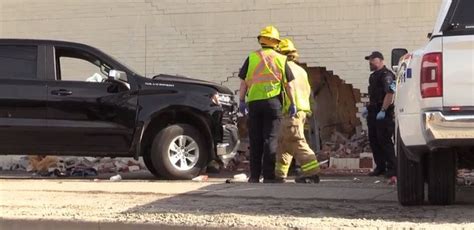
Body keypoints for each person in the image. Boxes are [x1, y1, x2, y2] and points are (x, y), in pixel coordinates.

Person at [238, 26, 296, 183]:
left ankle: (254, 176)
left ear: (261, 40)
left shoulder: (251, 58)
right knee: (270, 139)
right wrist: (292, 103)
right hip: (273, 103)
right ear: (276, 42)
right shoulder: (281, 59)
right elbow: (288, 85)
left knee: (255, 140)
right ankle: (269, 176)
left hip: (254, 103)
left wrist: (241, 101)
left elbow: (243, 83)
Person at [274, 38, 320, 183]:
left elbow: (285, 89)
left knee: (296, 142)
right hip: (301, 111)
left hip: (291, 111)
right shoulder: (301, 71)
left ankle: (312, 171)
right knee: (284, 143)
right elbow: (309, 92)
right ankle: (279, 174)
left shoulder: (283, 68)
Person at [364, 51, 397, 178]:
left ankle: (393, 168)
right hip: (373, 112)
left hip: (383, 112)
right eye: (369, 60)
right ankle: (380, 167)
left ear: (380, 60)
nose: (370, 63)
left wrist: (383, 110)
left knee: (384, 141)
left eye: (372, 60)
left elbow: (390, 93)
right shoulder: (373, 76)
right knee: (374, 141)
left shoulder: (387, 75)